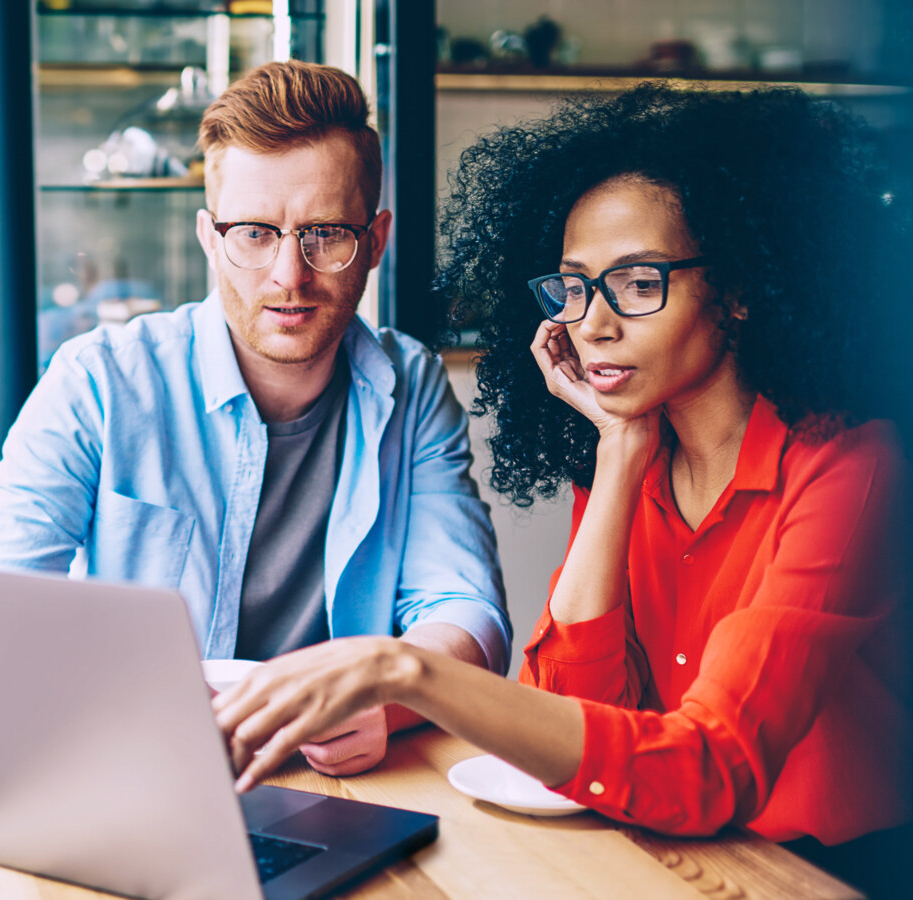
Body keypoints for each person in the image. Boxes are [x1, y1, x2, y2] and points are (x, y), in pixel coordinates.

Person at [213, 84, 912, 895]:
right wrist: (616, 456)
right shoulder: (632, 456)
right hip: (668, 852)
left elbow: (714, 765)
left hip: (827, 873)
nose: (595, 325)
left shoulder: (853, 470)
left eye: (639, 283)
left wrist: (403, 672)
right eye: (576, 287)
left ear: (740, 289)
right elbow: (578, 722)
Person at [0, 60, 511, 778]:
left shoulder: (412, 385)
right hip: (135, 768)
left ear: (374, 242)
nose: (290, 274)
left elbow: (467, 612)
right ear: (209, 238)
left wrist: (389, 702)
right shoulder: (99, 379)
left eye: (325, 234)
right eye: (254, 233)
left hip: (344, 785)